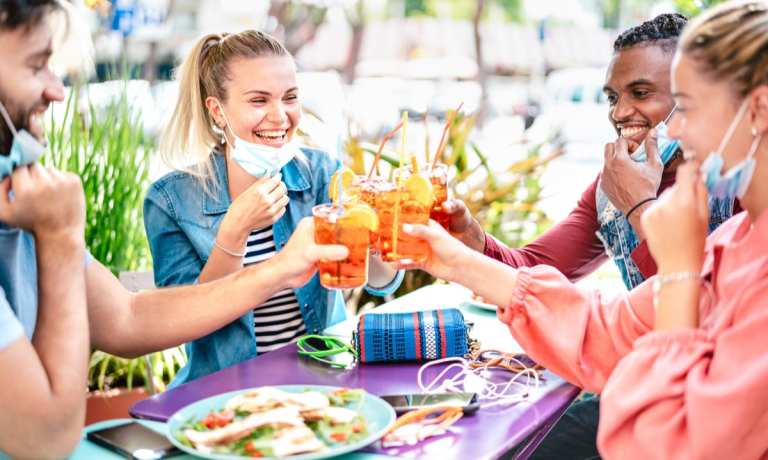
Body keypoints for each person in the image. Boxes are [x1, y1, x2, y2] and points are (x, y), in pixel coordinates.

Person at [404, 1, 768, 458]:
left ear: (758, 110)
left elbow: (675, 438)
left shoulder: (724, 207)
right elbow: (605, 327)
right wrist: (461, 251)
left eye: (683, 104)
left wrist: (651, 223)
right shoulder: (725, 237)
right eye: (613, 98)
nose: (621, 114)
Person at [0, 2, 349, 457]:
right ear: (217, 111)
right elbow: (42, 439)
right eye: (36, 65)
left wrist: (284, 265)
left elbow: (127, 318)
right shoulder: (162, 199)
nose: (57, 90)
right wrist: (62, 235)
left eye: (289, 96)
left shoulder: (23, 205)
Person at [143, 30, 402, 386]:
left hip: (323, 381)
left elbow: (381, 281)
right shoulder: (170, 201)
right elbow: (180, 322)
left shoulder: (323, 173)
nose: (280, 116)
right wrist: (234, 233)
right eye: (259, 101)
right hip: (222, 393)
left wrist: (377, 234)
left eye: (290, 97)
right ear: (218, 111)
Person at [447, 13, 736, 291]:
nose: (619, 112)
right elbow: (531, 271)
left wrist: (639, 207)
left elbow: (710, 309)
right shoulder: (615, 186)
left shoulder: (741, 183)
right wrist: (469, 236)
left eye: (641, 93)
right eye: (613, 97)